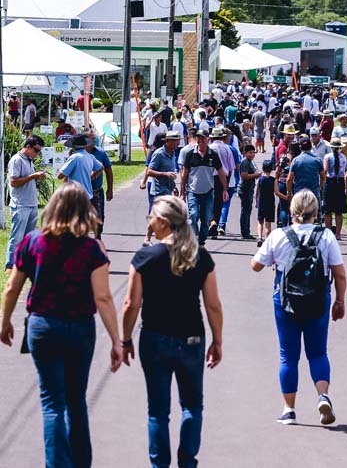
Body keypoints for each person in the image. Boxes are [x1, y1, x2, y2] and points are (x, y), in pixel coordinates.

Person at [0, 182, 123, 467]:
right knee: (76, 402)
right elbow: (103, 297)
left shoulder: (32, 241)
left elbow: (11, 288)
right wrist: (117, 340)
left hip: (43, 327)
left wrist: (5, 322)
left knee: (52, 403)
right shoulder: (92, 249)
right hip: (80, 327)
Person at [121, 196, 223, 468]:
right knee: (192, 405)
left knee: (158, 411)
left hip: (154, 338)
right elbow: (213, 304)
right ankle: (187, 462)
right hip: (192, 338)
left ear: (163, 222)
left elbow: (131, 303)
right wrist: (217, 340)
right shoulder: (200, 256)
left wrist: (126, 338)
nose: (149, 220)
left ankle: (160, 465)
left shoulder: (145, 257)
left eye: (151, 216)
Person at [250, 191, 347, 426]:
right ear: (316, 213)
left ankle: (289, 409)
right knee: (318, 353)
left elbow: (255, 266)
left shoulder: (279, 235)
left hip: (286, 302)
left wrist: (273, 257)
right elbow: (340, 274)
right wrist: (340, 300)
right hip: (318, 299)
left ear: (292, 212)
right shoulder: (326, 237)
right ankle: (323, 395)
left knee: (288, 355)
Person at [5, 135, 47, 274]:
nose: (37, 153)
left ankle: (25, 264)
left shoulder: (29, 160)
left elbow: (27, 181)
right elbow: (13, 182)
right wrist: (32, 176)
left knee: (29, 238)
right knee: (16, 237)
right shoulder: (17, 160)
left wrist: (37, 177)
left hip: (31, 203)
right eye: (36, 150)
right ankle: (10, 265)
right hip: (20, 204)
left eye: (39, 151)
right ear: (28, 147)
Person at [179, 129, 228, 246]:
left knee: (206, 219)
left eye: (203, 138)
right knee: (193, 214)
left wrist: (225, 189)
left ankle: (202, 239)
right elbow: (184, 174)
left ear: (208, 139)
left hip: (208, 192)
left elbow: (221, 173)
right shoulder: (190, 154)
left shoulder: (213, 155)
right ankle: (194, 237)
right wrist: (182, 192)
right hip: (193, 191)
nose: (200, 141)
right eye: (198, 138)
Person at [143, 131, 180, 246]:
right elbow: (149, 171)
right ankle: (149, 238)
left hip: (168, 188)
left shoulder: (173, 153)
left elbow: (170, 172)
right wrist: (165, 174)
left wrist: (174, 186)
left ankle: (150, 238)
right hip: (159, 190)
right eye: (175, 141)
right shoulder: (159, 154)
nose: (177, 143)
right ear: (168, 142)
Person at [85, 129, 114, 241]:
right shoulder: (78, 153)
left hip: (96, 190)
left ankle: (98, 237)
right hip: (82, 192)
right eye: (91, 138)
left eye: (94, 138)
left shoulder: (100, 153)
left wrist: (110, 189)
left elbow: (108, 170)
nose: (94, 140)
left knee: (99, 216)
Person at [58, 133, 104, 200]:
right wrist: (91, 177)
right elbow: (101, 168)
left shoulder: (74, 157)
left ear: (73, 146)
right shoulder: (90, 156)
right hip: (88, 196)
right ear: (85, 145)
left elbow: (60, 175)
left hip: (76, 197)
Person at [322, 138, 347, 240]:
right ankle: (338, 233)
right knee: (339, 211)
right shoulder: (343, 157)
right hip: (340, 183)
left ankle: (328, 232)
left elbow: (325, 170)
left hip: (329, 182)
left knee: (327, 210)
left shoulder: (327, 157)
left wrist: (321, 181)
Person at [286, 135, 325, 202]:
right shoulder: (318, 160)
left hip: (299, 194)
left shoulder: (296, 160)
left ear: (300, 147)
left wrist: (289, 193)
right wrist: (319, 187)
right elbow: (323, 177)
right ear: (311, 146)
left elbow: (289, 179)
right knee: (316, 212)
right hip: (314, 194)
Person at [239, 144, 259, 240]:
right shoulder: (245, 162)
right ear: (245, 153)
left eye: (253, 153)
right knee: (245, 211)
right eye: (250, 153)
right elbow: (244, 176)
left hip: (249, 189)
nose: (252, 154)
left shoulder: (250, 162)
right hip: (245, 189)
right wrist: (256, 175)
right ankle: (245, 232)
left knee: (248, 210)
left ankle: (247, 230)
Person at [256, 160, 276, 248]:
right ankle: (267, 239)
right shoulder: (273, 180)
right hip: (270, 203)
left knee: (260, 222)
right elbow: (276, 192)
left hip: (261, 202)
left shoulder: (260, 179)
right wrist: (285, 196)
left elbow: (256, 192)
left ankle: (259, 237)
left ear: (263, 168)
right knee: (268, 224)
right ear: (271, 169)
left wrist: (256, 201)